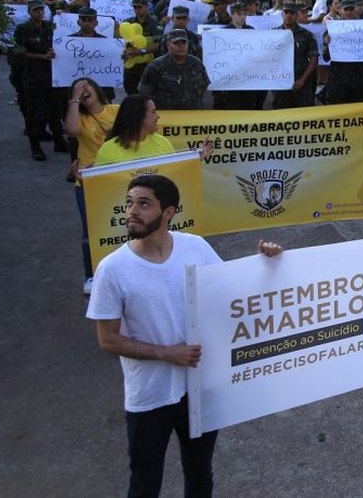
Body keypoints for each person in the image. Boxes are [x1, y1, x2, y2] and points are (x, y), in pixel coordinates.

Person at [87, 174, 283, 497]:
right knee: (144, 484)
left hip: (200, 389)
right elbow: (107, 339)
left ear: (168, 212)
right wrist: (167, 353)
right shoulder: (112, 269)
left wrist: (265, 265)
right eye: (129, 202)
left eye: (143, 204)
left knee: (200, 476)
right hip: (149, 398)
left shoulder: (195, 247)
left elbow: (230, 294)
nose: (131, 211)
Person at [65, 77, 118, 294]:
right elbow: (71, 130)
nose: (83, 89)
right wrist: (75, 100)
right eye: (78, 88)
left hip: (116, 177)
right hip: (88, 179)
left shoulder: (115, 110)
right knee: (90, 231)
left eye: (87, 85)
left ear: (97, 88)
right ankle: (90, 275)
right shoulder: (79, 117)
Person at [12, 0, 65, 161]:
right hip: (32, 76)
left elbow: (62, 38)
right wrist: (42, 56)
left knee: (55, 111)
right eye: (36, 10)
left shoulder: (49, 26)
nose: (39, 13)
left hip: (52, 76)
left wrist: (63, 16)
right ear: (29, 12)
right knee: (33, 113)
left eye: (41, 10)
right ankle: (35, 146)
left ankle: (59, 141)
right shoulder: (23, 29)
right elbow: (19, 52)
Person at [139, 29, 210, 111]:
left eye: (184, 43)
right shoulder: (155, 66)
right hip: (166, 119)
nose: (181, 46)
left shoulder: (196, 63)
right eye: (176, 43)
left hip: (193, 117)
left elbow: (204, 86)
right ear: (168, 45)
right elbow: (144, 94)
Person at [95, 95, 174, 165]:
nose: (158, 116)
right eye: (153, 112)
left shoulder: (163, 143)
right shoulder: (107, 151)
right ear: (139, 116)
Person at [272, 3, 319, 109]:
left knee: (304, 114)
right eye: (286, 12)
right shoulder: (273, 34)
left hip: (302, 81)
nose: (289, 15)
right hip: (280, 82)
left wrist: (302, 80)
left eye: (292, 13)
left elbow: (314, 58)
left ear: (297, 15)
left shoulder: (306, 35)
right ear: (282, 14)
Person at [121, 0, 163, 95]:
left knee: (148, 94)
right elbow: (120, 42)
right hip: (131, 66)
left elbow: (159, 44)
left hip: (148, 66)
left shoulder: (155, 22)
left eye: (140, 7)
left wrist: (141, 51)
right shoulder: (127, 22)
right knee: (131, 92)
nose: (137, 10)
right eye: (135, 7)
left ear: (146, 6)